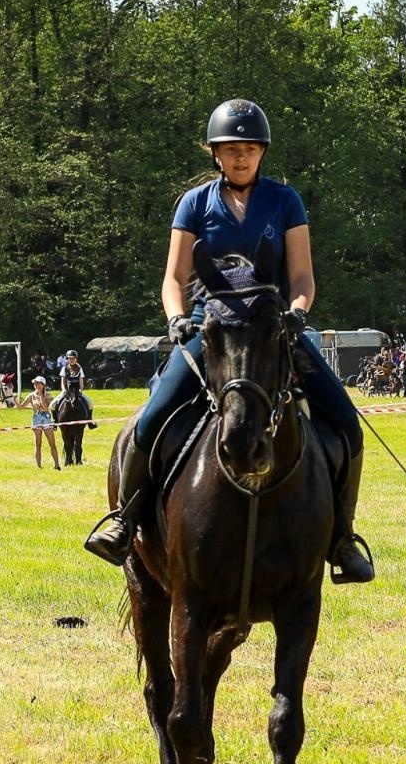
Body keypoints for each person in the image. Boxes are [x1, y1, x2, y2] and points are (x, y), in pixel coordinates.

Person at [85, 98, 374, 583]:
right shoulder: (195, 203)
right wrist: (178, 319)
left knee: (345, 420)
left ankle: (342, 537)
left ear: (262, 152)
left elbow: (303, 278)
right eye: (231, 149)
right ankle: (125, 518)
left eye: (250, 149)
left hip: (271, 329)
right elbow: (173, 278)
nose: (241, 157)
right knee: (153, 417)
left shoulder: (286, 201)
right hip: (211, 327)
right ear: (215, 154)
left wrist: (297, 313)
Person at [18, 376, 62, 469]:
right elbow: (21, 407)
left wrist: (41, 396)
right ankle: (39, 466)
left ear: (43, 385)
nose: (36, 385)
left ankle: (57, 465)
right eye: (35, 383)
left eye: (37, 383)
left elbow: (46, 408)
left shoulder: (48, 395)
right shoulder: (31, 395)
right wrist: (14, 401)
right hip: (36, 419)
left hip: (46, 419)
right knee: (38, 445)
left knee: (52, 444)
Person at [59, 349, 96, 428]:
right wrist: (64, 390)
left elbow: (81, 381)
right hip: (67, 390)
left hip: (77, 390)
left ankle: (89, 420)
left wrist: (81, 390)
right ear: (67, 359)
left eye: (73, 358)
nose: (72, 360)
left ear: (76, 359)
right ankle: (55, 421)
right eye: (70, 358)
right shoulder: (64, 369)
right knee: (53, 404)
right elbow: (63, 381)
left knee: (90, 404)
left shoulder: (79, 368)